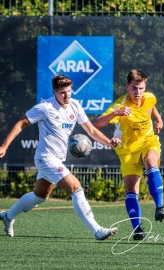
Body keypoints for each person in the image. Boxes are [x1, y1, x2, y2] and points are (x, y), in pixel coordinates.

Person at [0, 74, 120, 240]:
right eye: (63, 92)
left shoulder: (75, 106)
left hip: (57, 159)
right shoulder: (45, 107)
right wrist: (4, 145)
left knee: (39, 196)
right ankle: (97, 230)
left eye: (69, 91)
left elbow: (91, 130)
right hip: (45, 157)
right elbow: (21, 123)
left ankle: (7, 216)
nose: (67, 95)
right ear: (54, 92)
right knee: (75, 187)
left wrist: (108, 142)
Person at [93, 69, 164, 240]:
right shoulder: (120, 105)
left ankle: (160, 207)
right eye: (134, 88)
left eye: (141, 88)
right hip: (127, 149)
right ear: (127, 87)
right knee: (130, 188)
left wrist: (158, 118)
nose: (138, 92)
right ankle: (137, 228)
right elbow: (97, 124)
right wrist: (116, 113)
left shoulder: (149, 97)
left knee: (151, 161)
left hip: (148, 140)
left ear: (145, 86)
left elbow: (152, 107)